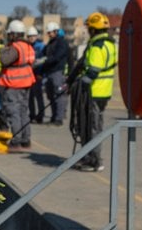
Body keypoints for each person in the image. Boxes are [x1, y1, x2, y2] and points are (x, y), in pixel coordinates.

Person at [68, 12, 118, 171]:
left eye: (90, 28)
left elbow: (93, 71)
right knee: (95, 125)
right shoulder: (110, 44)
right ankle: (90, 157)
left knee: (91, 127)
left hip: (93, 92)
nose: (88, 31)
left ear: (94, 29)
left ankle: (93, 160)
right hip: (104, 91)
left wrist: (78, 83)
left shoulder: (97, 46)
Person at [0, 19, 36, 150]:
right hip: (26, 82)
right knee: (23, 111)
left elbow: (4, 60)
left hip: (14, 84)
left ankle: (16, 141)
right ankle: (26, 140)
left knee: (13, 112)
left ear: (13, 34)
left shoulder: (14, 47)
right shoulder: (27, 46)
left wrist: (2, 50)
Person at [40, 21, 69, 125]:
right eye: (48, 32)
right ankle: (53, 116)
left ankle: (59, 118)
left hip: (57, 72)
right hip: (49, 72)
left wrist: (46, 60)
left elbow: (57, 57)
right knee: (51, 96)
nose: (49, 34)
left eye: (50, 32)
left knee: (58, 95)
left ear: (56, 31)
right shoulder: (50, 43)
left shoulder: (61, 43)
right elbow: (43, 55)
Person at [26, 26, 45, 124]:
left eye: (33, 36)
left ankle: (40, 115)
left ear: (36, 36)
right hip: (28, 75)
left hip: (38, 74)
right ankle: (32, 115)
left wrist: (41, 73)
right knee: (30, 97)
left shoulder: (41, 46)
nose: (31, 38)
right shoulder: (26, 46)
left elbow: (44, 61)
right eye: (30, 36)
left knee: (39, 96)